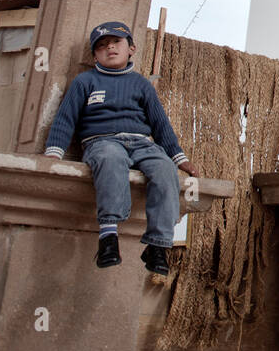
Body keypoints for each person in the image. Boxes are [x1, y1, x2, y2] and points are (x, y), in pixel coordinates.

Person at [42, 21, 198, 274]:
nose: (109, 48)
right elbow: (65, 119)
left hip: (141, 143)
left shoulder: (141, 84)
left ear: (131, 49)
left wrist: (179, 159)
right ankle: (108, 237)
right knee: (110, 159)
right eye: (102, 46)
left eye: (116, 43)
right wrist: (53, 154)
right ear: (95, 56)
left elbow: (160, 124)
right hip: (101, 141)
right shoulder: (85, 81)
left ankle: (158, 245)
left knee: (164, 170)